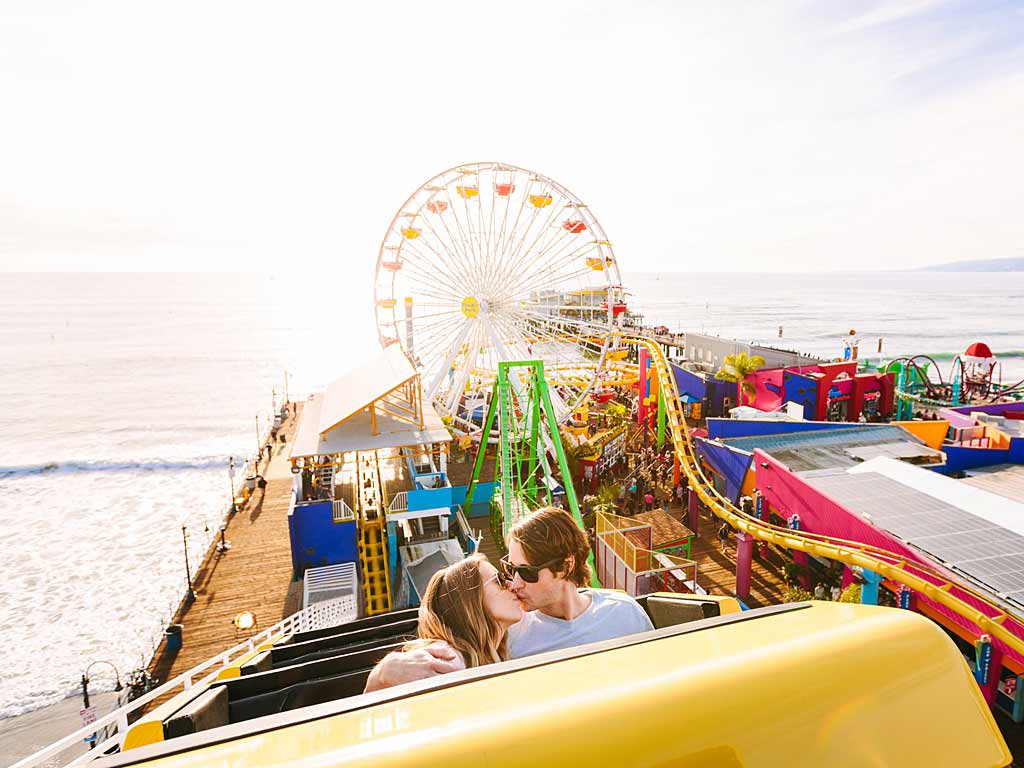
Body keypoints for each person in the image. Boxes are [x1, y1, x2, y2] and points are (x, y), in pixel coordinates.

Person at [369, 507, 653, 687]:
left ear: (565, 567)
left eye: (527, 572)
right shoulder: (505, 637)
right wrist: (384, 671)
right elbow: (453, 648)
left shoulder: (624, 614)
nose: (514, 583)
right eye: (510, 570)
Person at [364, 554, 522, 692]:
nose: (511, 585)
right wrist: (382, 674)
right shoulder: (445, 659)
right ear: (469, 601)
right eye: (499, 580)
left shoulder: (488, 653)